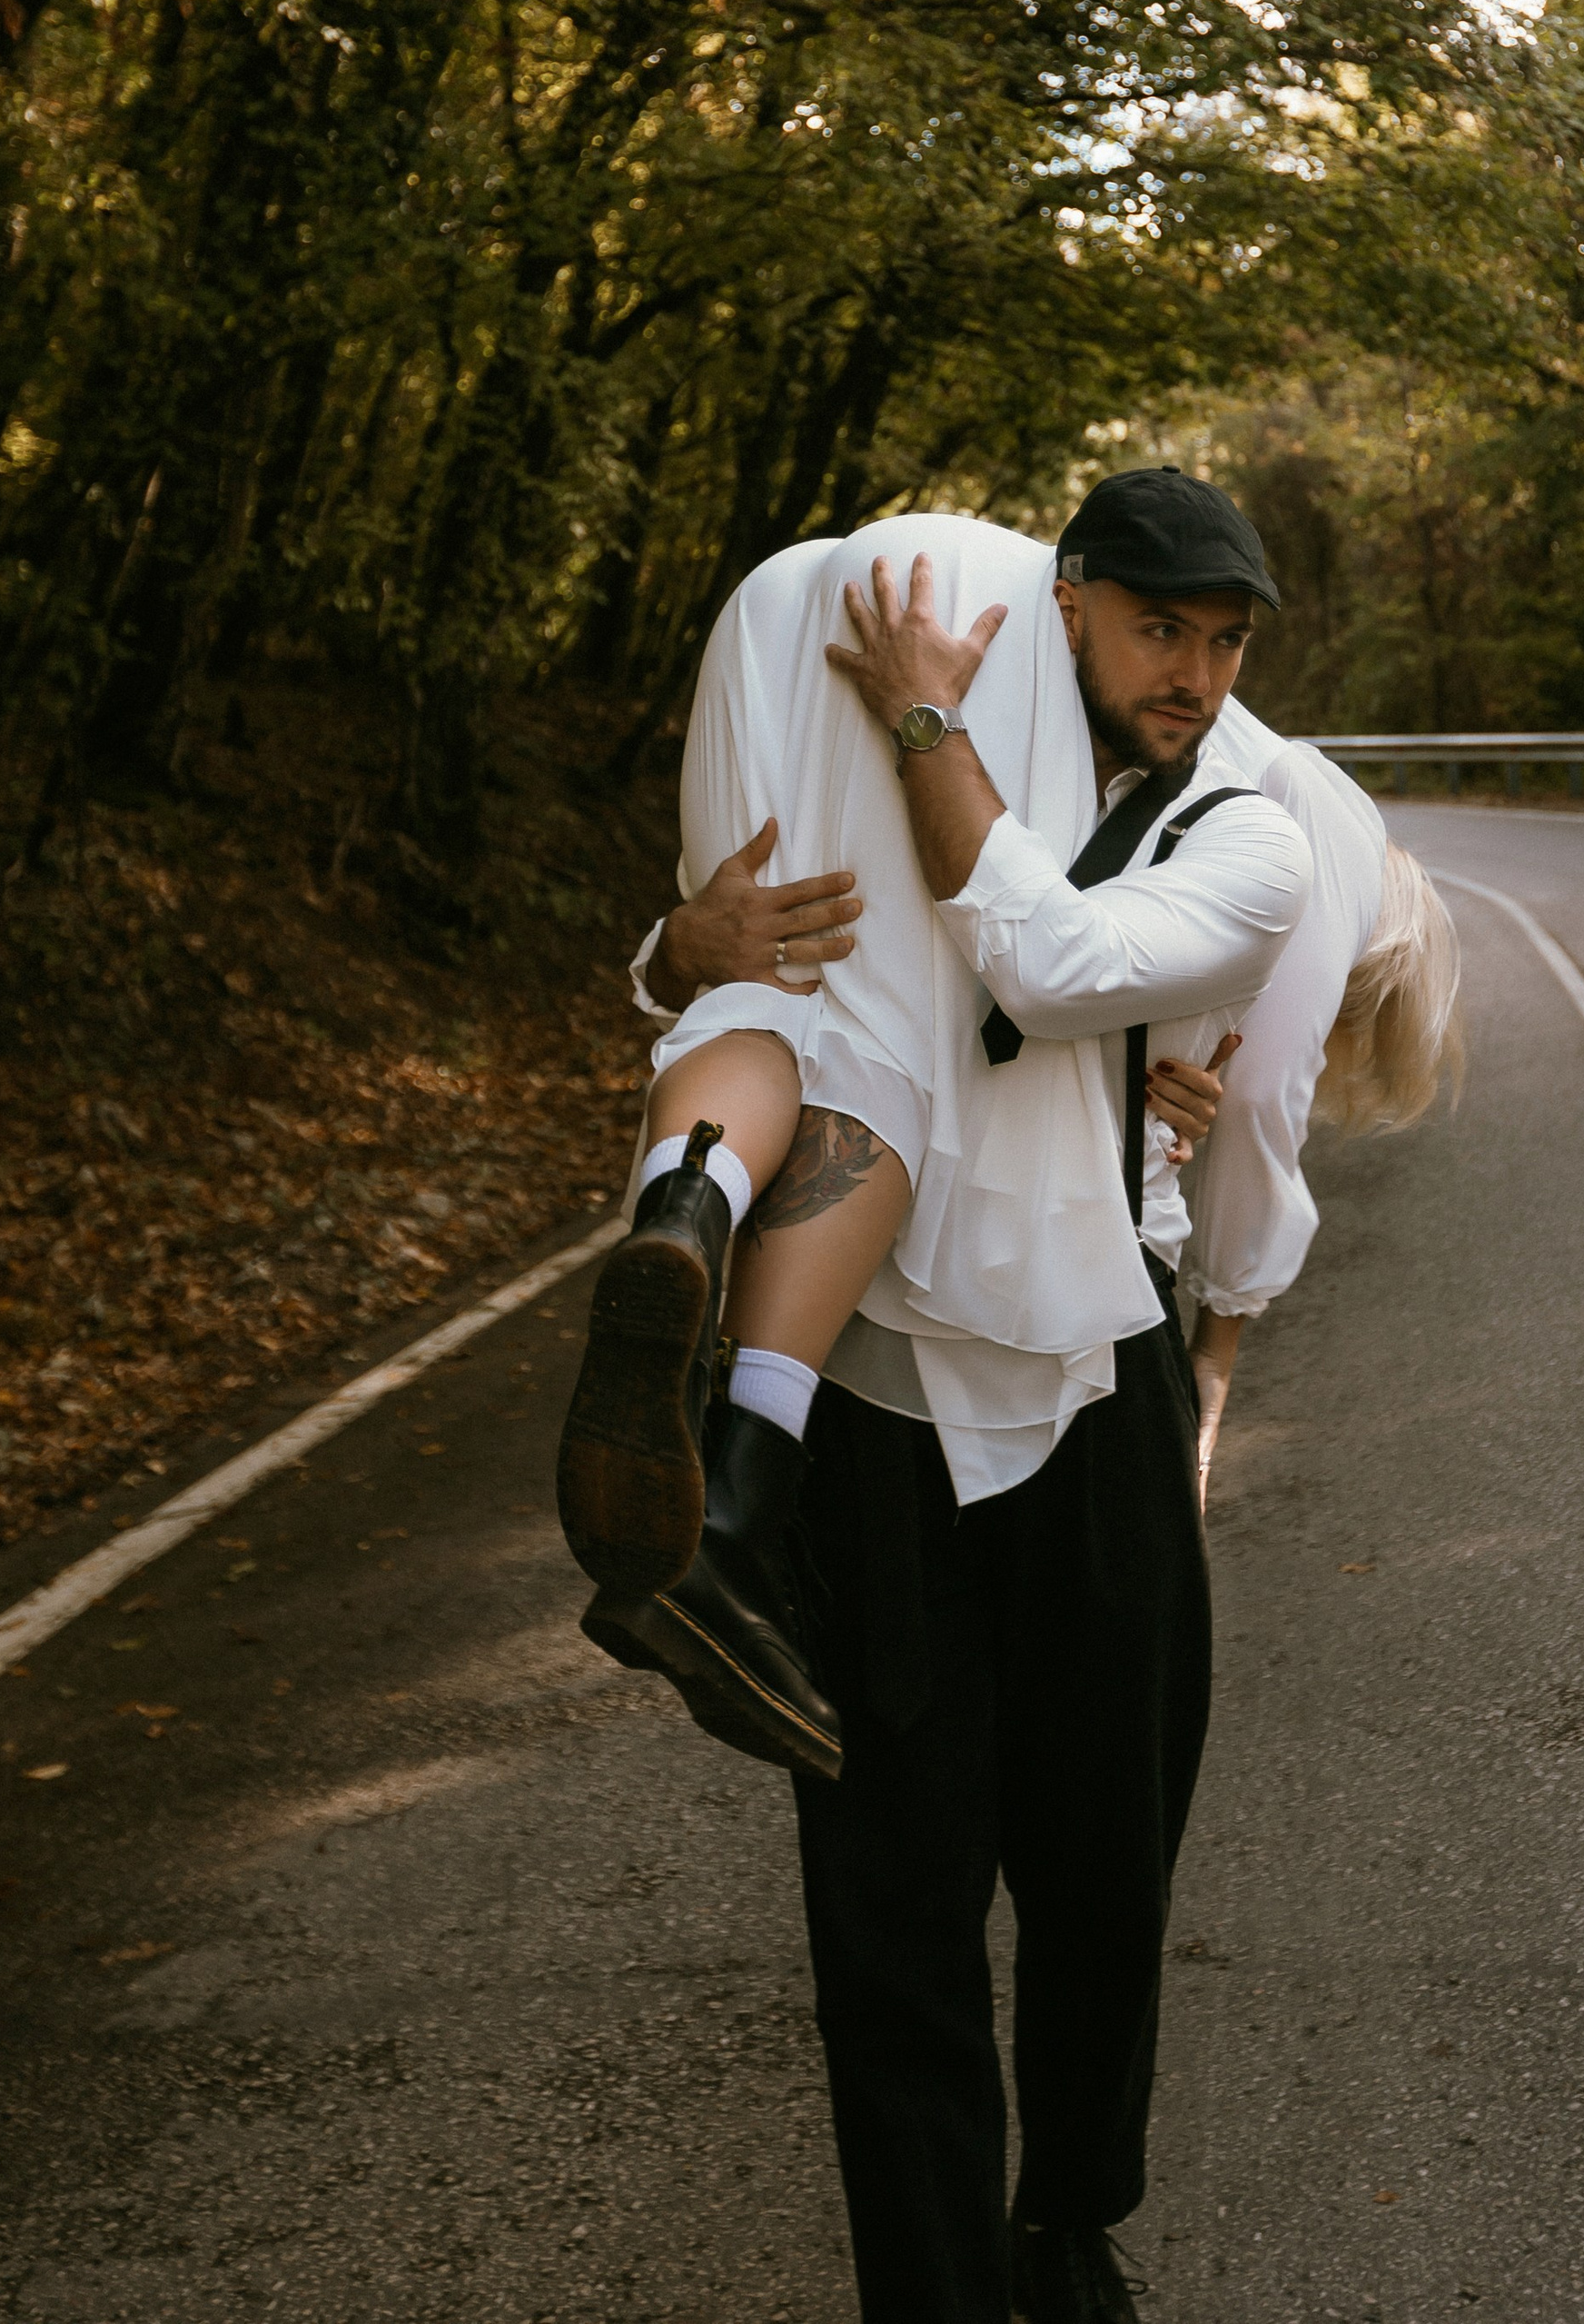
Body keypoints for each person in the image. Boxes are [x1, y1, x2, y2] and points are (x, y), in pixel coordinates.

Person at [594, 472, 1461, 2324]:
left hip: (1089, 1393)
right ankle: (934, 2291)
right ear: (1066, 603)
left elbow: (1058, 968)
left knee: (1106, 1858)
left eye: (1224, 642)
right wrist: (683, 945)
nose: (1193, 672)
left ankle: (1065, 2224)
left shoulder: (1252, 831)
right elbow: (734, 979)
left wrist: (1209, 1367)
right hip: (887, 1410)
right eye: (1161, 628)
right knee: (887, 1904)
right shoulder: (923, 707)